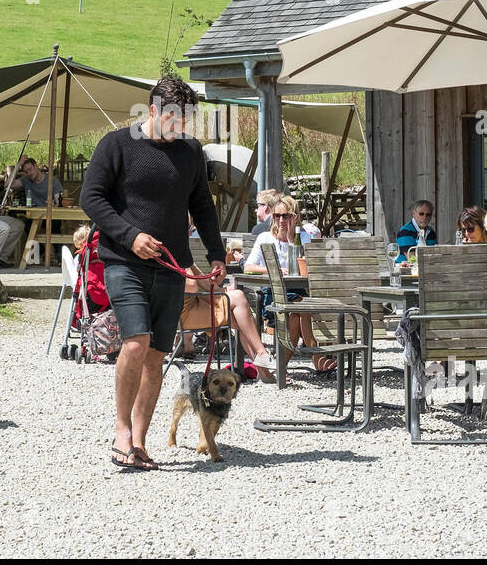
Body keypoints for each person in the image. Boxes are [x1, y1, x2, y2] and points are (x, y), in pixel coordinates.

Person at [81, 76, 226, 471]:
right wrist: (130, 236)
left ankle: (140, 443)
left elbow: (203, 207)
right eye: (174, 121)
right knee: (135, 342)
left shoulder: (191, 152)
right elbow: (90, 198)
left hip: (171, 267)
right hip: (123, 262)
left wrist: (215, 255)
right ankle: (121, 429)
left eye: (186, 121)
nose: (180, 129)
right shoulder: (116, 145)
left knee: (157, 354)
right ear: (152, 112)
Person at [244, 195, 335, 373]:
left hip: (300, 293)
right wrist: (273, 269)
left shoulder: (304, 238)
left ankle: (281, 368)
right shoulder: (265, 238)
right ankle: (316, 354)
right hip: (275, 294)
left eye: (286, 216)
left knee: (296, 312)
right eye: (277, 216)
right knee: (301, 305)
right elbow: (248, 267)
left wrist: (292, 239)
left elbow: (309, 267)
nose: (281, 220)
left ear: (295, 217)